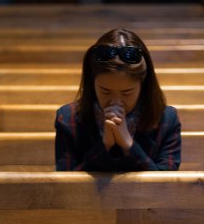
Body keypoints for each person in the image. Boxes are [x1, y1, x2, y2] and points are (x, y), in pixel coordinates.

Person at [55, 28, 181, 171]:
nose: (116, 101)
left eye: (127, 92)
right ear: (92, 83)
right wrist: (105, 145)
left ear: (143, 85)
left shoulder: (167, 118)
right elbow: (65, 187)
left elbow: (168, 186)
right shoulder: (67, 118)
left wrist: (128, 144)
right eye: (105, 91)